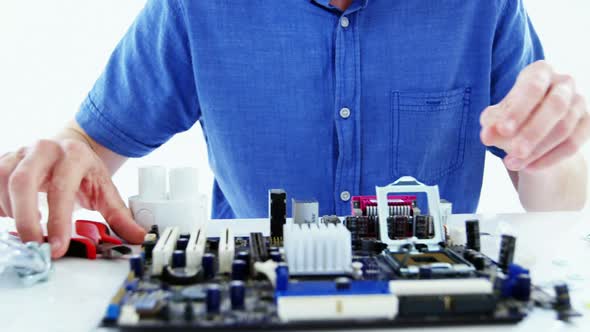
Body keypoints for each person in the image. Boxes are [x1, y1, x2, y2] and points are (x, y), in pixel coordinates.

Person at [0, 0, 588, 258]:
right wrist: (59, 157)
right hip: (250, 299)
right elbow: (87, 148)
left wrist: (554, 148)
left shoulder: (484, 5)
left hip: (427, 299)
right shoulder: (192, 7)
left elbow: (556, 195)